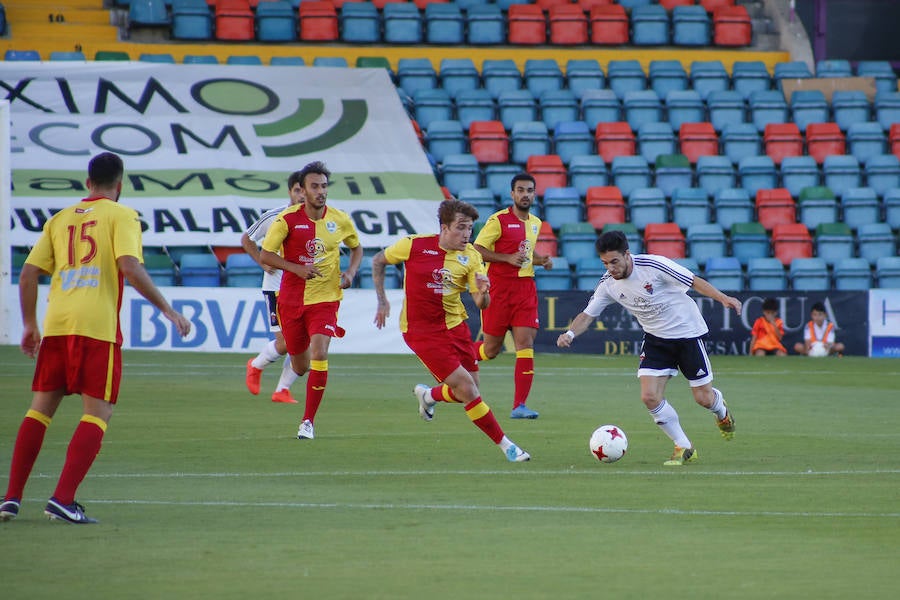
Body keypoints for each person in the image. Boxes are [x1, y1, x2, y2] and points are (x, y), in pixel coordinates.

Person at [0, 152, 191, 524]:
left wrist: (28, 324)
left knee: (39, 410)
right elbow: (129, 267)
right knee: (97, 412)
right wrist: (167, 310)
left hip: (57, 324)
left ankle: (10, 498)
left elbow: (27, 275)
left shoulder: (59, 219)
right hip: (96, 328)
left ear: (88, 183)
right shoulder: (122, 215)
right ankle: (62, 499)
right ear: (119, 185)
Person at [556, 230, 739, 466]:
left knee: (703, 398)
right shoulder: (608, 284)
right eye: (605, 263)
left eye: (614, 261)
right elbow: (588, 314)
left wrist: (723, 297)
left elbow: (693, 281)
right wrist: (570, 333)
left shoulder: (654, 265)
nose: (610, 268)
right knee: (649, 396)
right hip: (656, 340)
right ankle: (684, 446)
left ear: (627, 254)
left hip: (688, 334)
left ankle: (721, 412)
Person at [371, 199, 530, 462]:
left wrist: (484, 293)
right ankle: (507, 446)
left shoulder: (472, 257)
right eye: (461, 227)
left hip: (455, 327)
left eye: (470, 228)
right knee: (467, 389)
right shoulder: (413, 245)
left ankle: (429, 395)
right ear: (444, 227)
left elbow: (481, 302)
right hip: (421, 332)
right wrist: (382, 300)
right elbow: (378, 261)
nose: (467, 234)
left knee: (469, 389)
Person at [258, 161, 363, 440]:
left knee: (320, 352)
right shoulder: (287, 220)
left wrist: (351, 272)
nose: (320, 192)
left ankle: (308, 422)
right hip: (291, 301)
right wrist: (296, 268)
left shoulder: (339, 219)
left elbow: (357, 247)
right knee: (301, 366)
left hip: (326, 299)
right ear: (302, 191)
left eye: (324, 186)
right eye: (314, 186)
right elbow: (265, 256)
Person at [472, 172, 553, 419]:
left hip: (525, 289)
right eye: (520, 190)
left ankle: (519, 406)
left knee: (525, 344)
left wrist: (541, 261)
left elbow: (527, 254)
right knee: (491, 350)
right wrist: (506, 258)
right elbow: (476, 249)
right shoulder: (498, 221)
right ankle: (459, 355)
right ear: (512, 194)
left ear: (534, 194)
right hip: (498, 289)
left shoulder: (536, 223)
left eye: (529, 190)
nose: (525, 194)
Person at [243, 171, 305, 404]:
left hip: (305, 290)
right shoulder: (274, 217)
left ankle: (282, 390)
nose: (301, 195)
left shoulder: (315, 219)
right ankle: (256, 365)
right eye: (297, 190)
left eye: (303, 190)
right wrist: (261, 261)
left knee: (306, 350)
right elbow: (247, 239)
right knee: (288, 342)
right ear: (290, 192)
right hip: (277, 287)